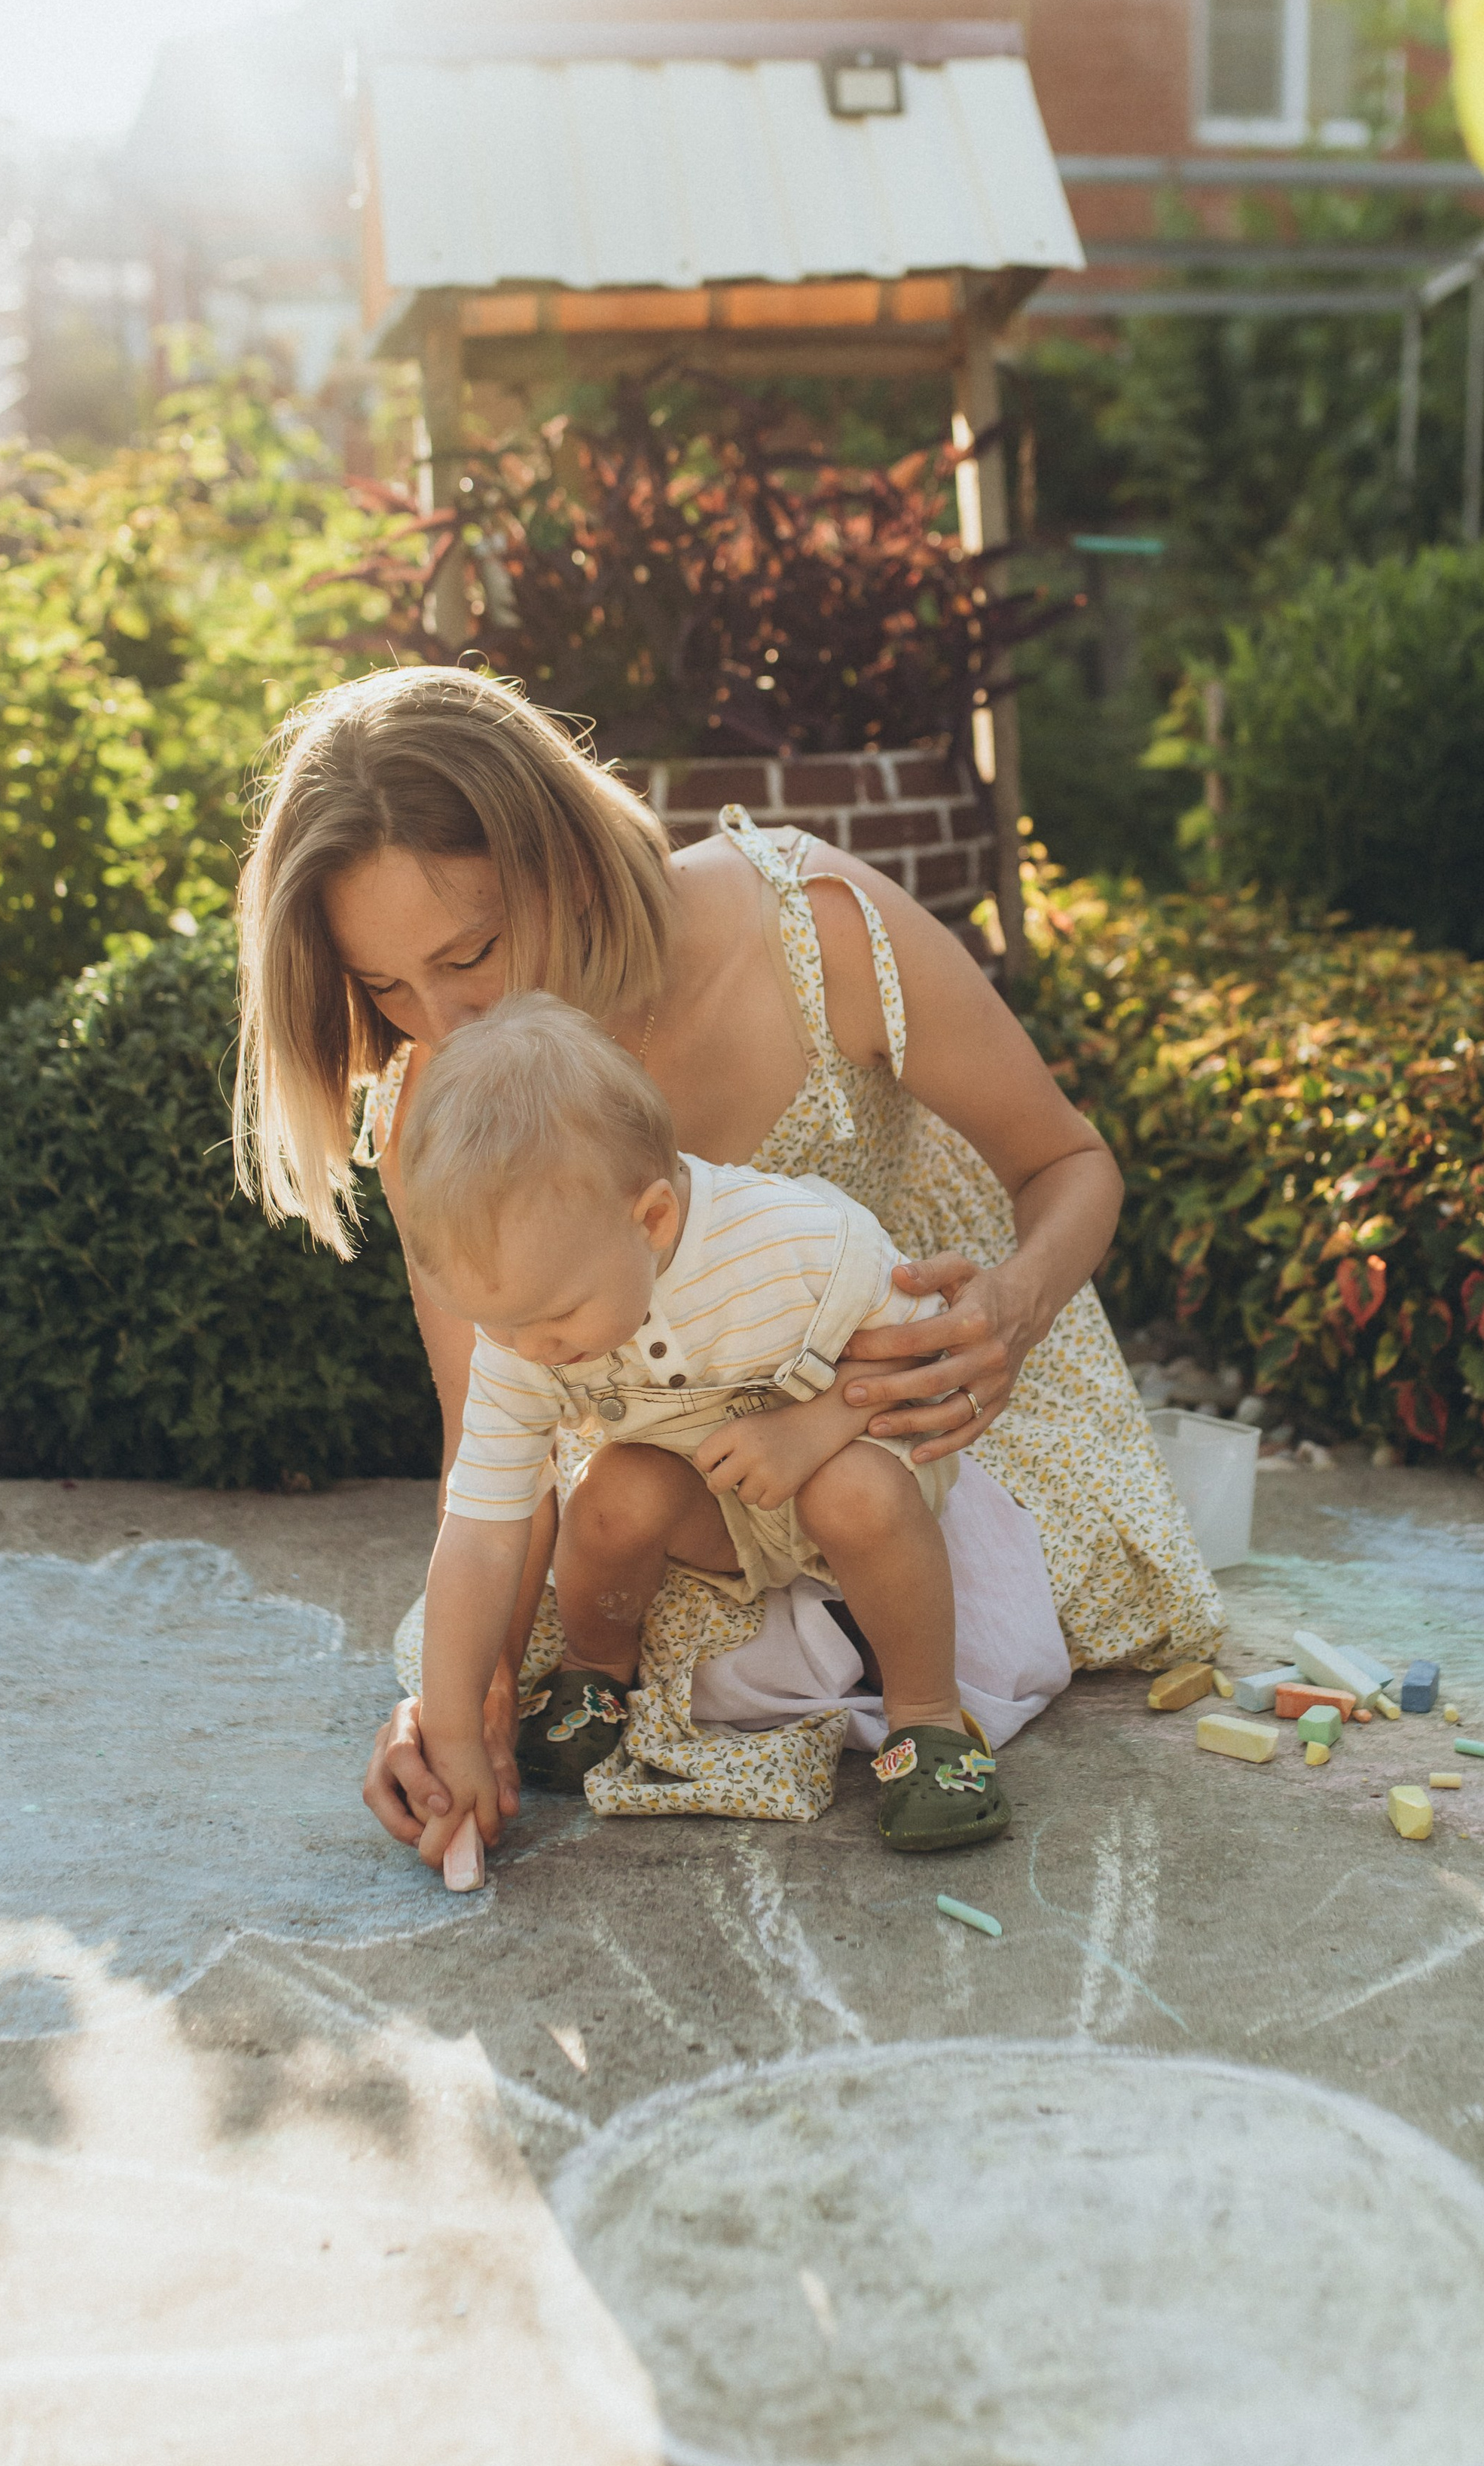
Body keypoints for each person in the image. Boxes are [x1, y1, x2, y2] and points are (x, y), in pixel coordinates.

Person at [232, 667, 1222, 1866]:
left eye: (473, 951)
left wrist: (1007, 1311)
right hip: (688, 1479)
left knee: (897, 1554)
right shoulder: (443, 1105)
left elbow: (1072, 1163)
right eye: (386, 988)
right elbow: (495, 1454)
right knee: (554, 1627)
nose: (441, 1023)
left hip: (928, 1429)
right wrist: (471, 1703)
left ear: (568, 855)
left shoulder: (811, 927)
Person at [398, 990, 1007, 1868]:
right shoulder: (523, 1339)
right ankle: (595, 1674)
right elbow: (483, 1534)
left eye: (557, 1319)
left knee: (857, 1494)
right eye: (499, 1324)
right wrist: (455, 1722)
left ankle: (927, 1721)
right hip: (710, 1498)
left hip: (846, 1460)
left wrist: (813, 1427)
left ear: (651, 1221)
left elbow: (926, 1357)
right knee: (608, 1495)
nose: (534, 1350)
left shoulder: (799, 1244)